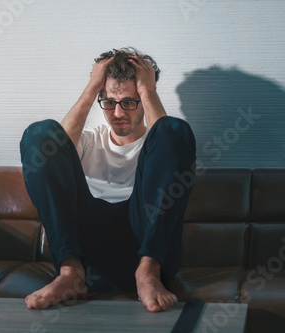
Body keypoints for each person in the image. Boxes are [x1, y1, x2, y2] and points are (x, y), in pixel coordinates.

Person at [19, 47, 196, 313]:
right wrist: (92, 88)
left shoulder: (160, 144)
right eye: (110, 102)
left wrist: (149, 92)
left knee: (174, 129)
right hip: (86, 251)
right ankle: (70, 274)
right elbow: (51, 151)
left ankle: (148, 272)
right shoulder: (90, 138)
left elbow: (167, 136)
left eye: (128, 102)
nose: (118, 113)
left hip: (145, 242)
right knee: (39, 133)